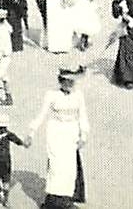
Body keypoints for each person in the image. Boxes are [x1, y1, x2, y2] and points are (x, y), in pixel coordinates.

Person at [27, 67, 91, 209]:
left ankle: (66, 199)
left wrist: (84, 135)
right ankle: (54, 201)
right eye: (66, 81)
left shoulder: (78, 95)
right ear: (60, 81)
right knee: (56, 166)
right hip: (55, 132)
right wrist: (31, 133)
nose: (69, 85)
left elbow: (83, 116)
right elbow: (42, 114)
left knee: (69, 168)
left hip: (71, 133)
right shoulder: (51, 95)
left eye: (71, 82)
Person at [0, 121, 28, 203]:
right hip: (4, 160)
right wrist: (24, 143)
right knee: (4, 178)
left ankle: (0, 193)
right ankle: (4, 197)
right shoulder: (8, 135)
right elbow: (18, 142)